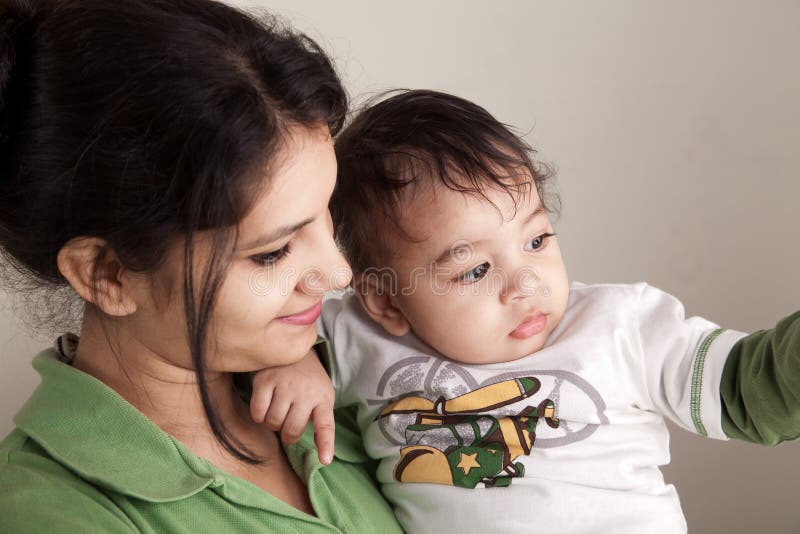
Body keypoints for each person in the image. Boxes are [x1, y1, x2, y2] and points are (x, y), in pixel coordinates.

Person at [253, 89, 800, 533]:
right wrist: (296, 363)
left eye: (536, 240)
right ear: (387, 300)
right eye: (473, 270)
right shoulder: (360, 336)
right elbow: (252, 337)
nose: (524, 284)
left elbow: (747, 390)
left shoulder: (621, 325)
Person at [0, 0, 403, 531]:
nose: (339, 275)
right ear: (108, 273)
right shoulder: (56, 511)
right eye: (272, 253)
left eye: (325, 213)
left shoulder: (360, 371)